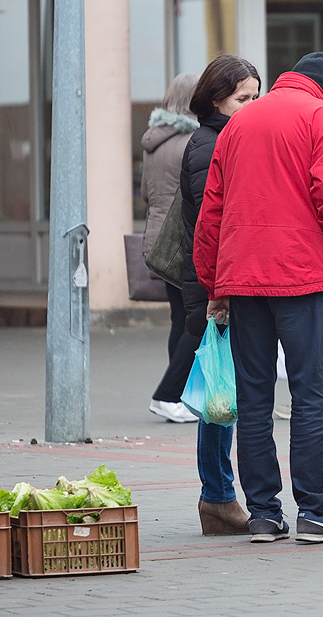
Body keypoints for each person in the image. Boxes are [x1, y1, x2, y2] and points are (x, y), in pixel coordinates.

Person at [194, 51, 323, 545]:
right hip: (302, 276)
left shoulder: (240, 123)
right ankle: (316, 511)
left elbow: (212, 213)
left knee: (255, 397)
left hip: (244, 278)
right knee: (311, 395)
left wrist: (214, 284)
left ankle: (264, 514)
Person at [176, 55, 260, 535]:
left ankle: (220, 496)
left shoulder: (223, 137)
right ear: (215, 100)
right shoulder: (210, 145)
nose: (251, 106)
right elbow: (217, 226)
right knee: (220, 397)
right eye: (241, 99)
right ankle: (218, 496)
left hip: (216, 283)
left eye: (255, 96)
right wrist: (217, 294)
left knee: (222, 394)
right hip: (215, 287)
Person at [143, 72, 200, 424]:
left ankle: (175, 394)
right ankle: (167, 394)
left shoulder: (155, 141)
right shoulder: (192, 142)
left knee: (180, 318)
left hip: (158, 239)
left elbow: (148, 194)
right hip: (181, 240)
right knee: (196, 321)